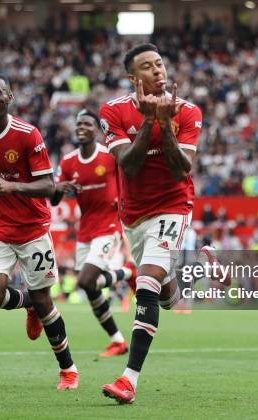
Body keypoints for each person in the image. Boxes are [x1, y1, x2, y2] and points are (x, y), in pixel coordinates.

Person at [98, 43, 215, 403]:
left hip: (173, 207)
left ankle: (128, 380)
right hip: (133, 216)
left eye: (160, 64)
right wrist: (149, 119)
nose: (158, 71)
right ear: (133, 78)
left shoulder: (188, 111)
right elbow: (128, 165)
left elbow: (183, 166)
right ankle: (174, 280)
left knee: (146, 282)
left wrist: (164, 122)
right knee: (162, 295)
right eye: (147, 67)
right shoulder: (112, 112)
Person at [0, 73, 78, 390]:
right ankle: (27, 303)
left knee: (45, 300)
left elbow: (48, 185)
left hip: (32, 229)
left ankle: (68, 370)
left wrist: (11, 185)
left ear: (9, 96)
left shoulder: (27, 135)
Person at [50, 109, 137, 357]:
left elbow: (126, 186)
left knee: (86, 281)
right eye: (79, 124)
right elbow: (55, 200)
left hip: (109, 225)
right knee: (89, 287)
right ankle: (118, 340)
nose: (82, 127)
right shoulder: (68, 162)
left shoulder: (110, 157)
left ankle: (129, 271)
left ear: (97, 130)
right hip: (86, 228)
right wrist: (59, 188)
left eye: (88, 124)